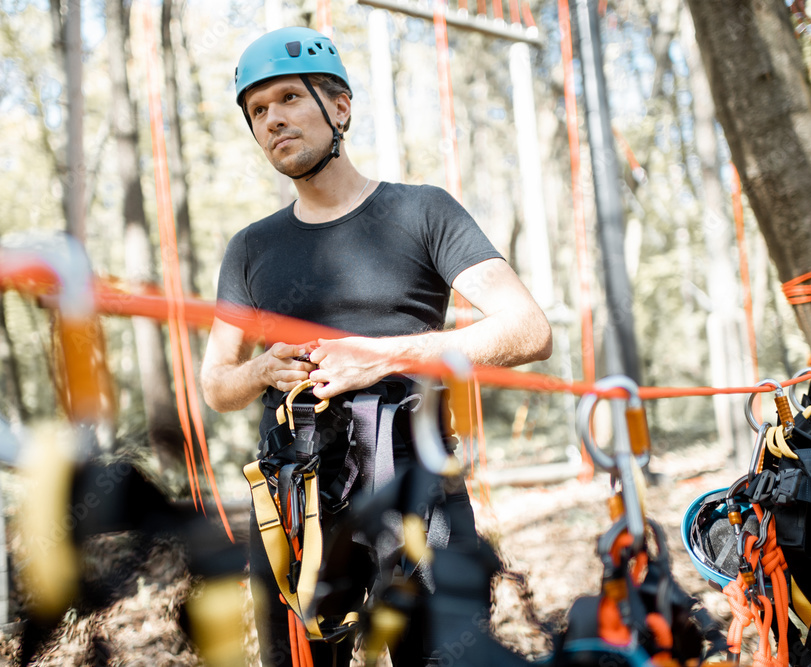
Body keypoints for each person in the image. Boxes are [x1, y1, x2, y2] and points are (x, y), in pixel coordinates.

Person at [199, 26, 552, 667]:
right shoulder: (249, 248)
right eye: (257, 111)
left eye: (288, 99)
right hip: (295, 496)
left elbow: (527, 330)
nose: (272, 119)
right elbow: (217, 385)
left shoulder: (422, 213)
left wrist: (382, 356)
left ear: (340, 107)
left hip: (418, 489)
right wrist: (258, 370)